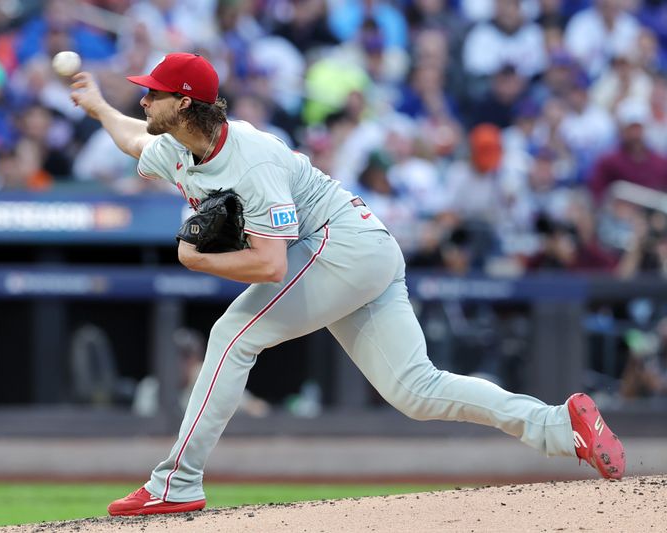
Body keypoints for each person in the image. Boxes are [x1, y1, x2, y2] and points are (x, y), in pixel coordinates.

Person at [70, 52, 626, 517]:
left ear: (185, 103)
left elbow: (269, 267)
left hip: (341, 246)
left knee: (233, 336)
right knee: (416, 391)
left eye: (153, 93)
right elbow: (134, 141)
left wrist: (197, 261)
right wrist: (98, 106)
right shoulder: (176, 144)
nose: (142, 101)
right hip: (366, 248)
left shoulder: (252, 160)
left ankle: (177, 482)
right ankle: (559, 426)